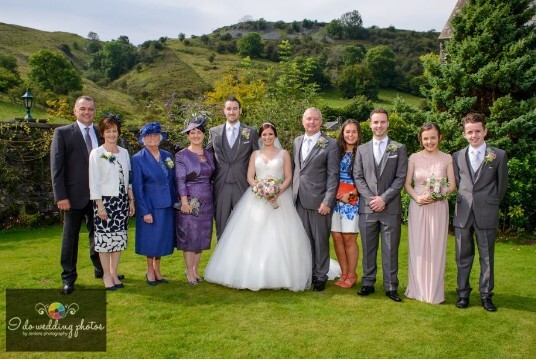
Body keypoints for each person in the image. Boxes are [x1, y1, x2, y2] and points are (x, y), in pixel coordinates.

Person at [204, 122, 312, 291]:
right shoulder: (255, 154)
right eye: (264, 135)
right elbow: (250, 177)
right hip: (257, 198)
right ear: (260, 137)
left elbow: (289, 177)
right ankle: (251, 273)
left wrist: (277, 191)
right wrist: (260, 189)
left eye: (270, 134)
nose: (267, 137)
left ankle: (281, 275)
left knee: (279, 236)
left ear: (275, 136)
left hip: (279, 199)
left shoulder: (284, 154)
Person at [452, 113, 508, 312]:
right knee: (462, 256)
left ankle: (486, 295)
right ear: (464, 134)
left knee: (486, 256)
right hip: (463, 212)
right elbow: (458, 182)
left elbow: (501, 187)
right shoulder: (457, 156)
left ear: (485, 131)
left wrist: (489, 203)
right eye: (469, 132)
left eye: (477, 131)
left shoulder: (498, 155)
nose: (474, 135)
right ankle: (463, 294)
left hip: (487, 211)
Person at [50, 95, 104, 294]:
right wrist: (60, 196)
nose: (87, 112)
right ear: (75, 111)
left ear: (94, 111)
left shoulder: (101, 133)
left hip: (98, 196)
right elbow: (57, 168)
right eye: (83, 109)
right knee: (70, 238)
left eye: (90, 109)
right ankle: (68, 277)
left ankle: (101, 270)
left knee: (99, 236)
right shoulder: (62, 133)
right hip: (72, 197)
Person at [353, 108, 408, 302]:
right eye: (375, 122)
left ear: (388, 124)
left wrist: (384, 198)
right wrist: (371, 199)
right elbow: (358, 177)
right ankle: (368, 283)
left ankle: (391, 286)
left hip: (390, 207)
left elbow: (401, 177)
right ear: (370, 124)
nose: (379, 125)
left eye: (382, 122)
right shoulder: (361, 149)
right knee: (368, 247)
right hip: (367, 208)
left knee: (390, 248)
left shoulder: (398, 148)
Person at [404, 123, 456, 304]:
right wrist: (417, 198)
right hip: (418, 207)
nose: (429, 141)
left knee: (435, 247)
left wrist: (439, 195)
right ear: (421, 140)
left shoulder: (447, 158)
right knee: (418, 248)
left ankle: (434, 292)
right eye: (426, 138)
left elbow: (452, 185)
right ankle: (416, 289)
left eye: (433, 137)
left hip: (438, 207)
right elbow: (407, 184)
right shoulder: (414, 158)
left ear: (439, 137)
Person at [292, 108, 339, 292]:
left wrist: (328, 201)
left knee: (320, 241)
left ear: (321, 122)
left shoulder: (330, 144)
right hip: (298, 200)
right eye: (308, 119)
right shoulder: (297, 141)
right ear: (303, 121)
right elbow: (298, 170)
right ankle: (309, 272)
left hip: (320, 201)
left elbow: (333, 175)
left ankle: (321, 276)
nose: (311, 122)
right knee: (304, 240)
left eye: (315, 119)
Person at [89, 114, 135, 291]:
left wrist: (131, 200)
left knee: (118, 239)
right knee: (104, 241)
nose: (112, 134)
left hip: (121, 201)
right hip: (105, 202)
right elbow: (94, 181)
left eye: (114, 131)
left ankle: (114, 272)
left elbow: (128, 178)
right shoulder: (97, 153)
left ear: (118, 133)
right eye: (108, 131)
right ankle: (106, 275)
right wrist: (99, 206)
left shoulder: (123, 152)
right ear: (102, 133)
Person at [207, 96, 259, 240]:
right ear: (224, 111)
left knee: (243, 226)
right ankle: (222, 261)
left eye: (235, 108)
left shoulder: (251, 132)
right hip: (221, 185)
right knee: (221, 228)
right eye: (228, 109)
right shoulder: (214, 131)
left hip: (242, 185)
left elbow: (257, 158)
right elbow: (206, 155)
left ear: (240, 111)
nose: (232, 112)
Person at [132, 122, 176, 286]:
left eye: (155, 136)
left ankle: (158, 269)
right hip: (150, 206)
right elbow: (138, 187)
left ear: (160, 138)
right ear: (143, 139)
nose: (152, 139)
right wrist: (145, 211)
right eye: (148, 136)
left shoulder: (167, 156)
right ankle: (149, 270)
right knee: (151, 240)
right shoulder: (138, 159)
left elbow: (171, 181)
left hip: (167, 205)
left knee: (162, 239)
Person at [175, 116, 216, 285]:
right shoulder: (181, 155)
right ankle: (188, 271)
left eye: (199, 132)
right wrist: (184, 202)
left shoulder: (209, 154)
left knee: (201, 238)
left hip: (207, 200)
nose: (196, 135)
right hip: (190, 201)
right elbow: (180, 180)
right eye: (192, 133)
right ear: (188, 136)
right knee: (190, 238)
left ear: (203, 135)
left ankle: (196, 270)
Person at [331, 119, 362, 289]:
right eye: (347, 132)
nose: (350, 135)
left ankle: (352, 273)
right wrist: (335, 194)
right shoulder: (336, 152)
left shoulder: (363, 153)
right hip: (335, 198)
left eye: (354, 132)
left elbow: (367, 179)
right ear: (342, 134)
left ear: (359, 134)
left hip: (353, 199)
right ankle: (343, 273)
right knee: (336, 237)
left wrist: (351, 194)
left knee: (349, 237)